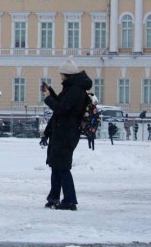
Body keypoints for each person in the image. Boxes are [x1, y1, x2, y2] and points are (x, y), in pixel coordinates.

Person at [41, 56, 91, 211]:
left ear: (66, 74)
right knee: (56, 166)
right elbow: (63, 106)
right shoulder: (72, 88)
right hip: (62, 132)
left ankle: (70, 200)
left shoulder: (75, 90)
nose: (60, 76)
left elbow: (62, 110)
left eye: (61, 73)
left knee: (62, 167)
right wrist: (52, 94)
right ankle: (54, 198)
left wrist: (49, 99)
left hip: (66, 133)